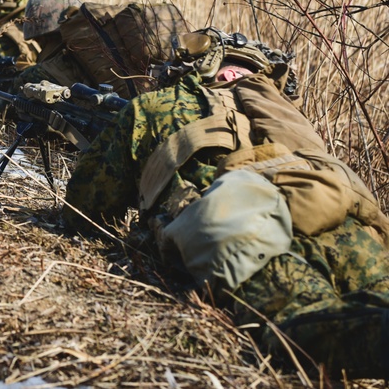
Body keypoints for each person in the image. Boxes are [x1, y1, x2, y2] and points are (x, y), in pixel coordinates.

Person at [64, 29, 389, 379]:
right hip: (346, 224)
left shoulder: (156, 106)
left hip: (246, 225)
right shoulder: (287, 120)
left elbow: (85, 210)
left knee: (298, 328)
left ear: (211, 68)